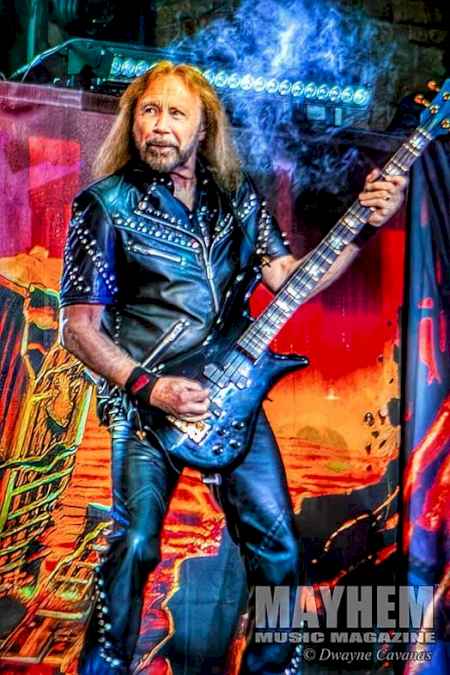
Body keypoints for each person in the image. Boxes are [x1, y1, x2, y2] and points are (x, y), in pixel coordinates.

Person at [58, 61, 407, 674]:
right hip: (145, 404)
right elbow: (78, 328)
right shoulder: (104, 205)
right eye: (148, 111)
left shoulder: (237, 200)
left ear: (203, 130)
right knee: (134, 543)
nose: (159, 126)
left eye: (176, 113)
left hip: (234, 396)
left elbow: (289, 279)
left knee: (278, 547)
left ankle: (272, 668)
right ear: (132, 121)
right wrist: (150, 387)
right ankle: (103, 667)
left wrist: (363, 228)